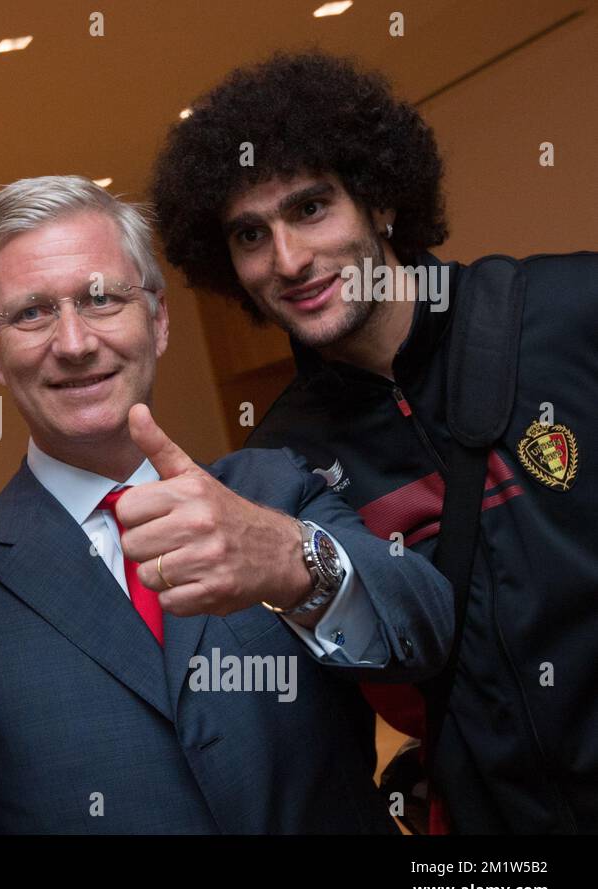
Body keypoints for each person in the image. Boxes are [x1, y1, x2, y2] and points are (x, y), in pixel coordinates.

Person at [0, 176, 453, 833]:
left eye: (101, 299)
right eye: (32, 312)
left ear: (158, 320)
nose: (73, 342)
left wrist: (291, 561)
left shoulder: (271, 486)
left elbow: (425, 628)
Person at [150, 51, 598, 833]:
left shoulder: (568, 313)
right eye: (252, 234)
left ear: (380, 199)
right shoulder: (278, 465)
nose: (288, 260)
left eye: (312, 207)